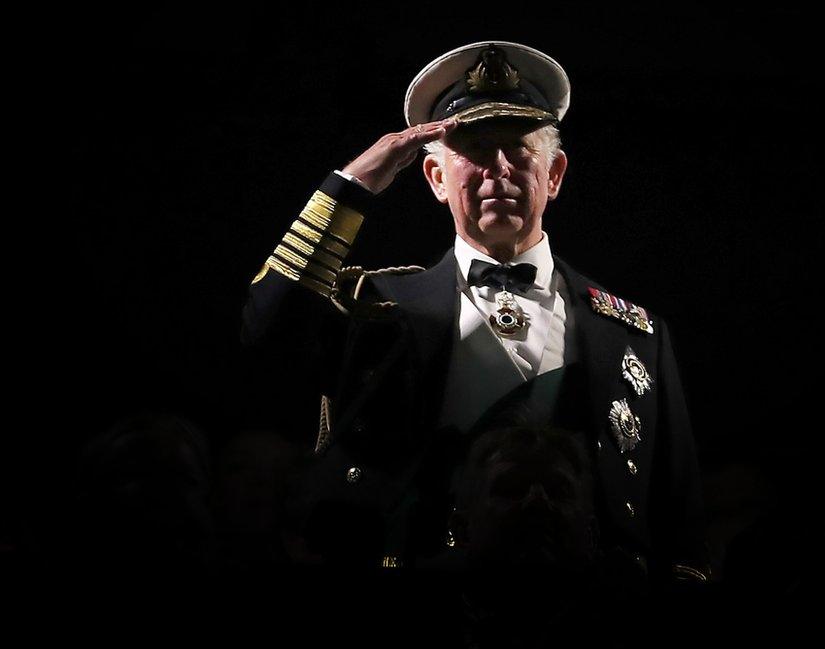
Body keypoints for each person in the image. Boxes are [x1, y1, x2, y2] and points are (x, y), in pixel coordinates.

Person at [240, 41, 711, 585]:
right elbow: (266, 334)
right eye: (476, 150)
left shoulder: (633, 333)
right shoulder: (373, 309)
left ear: (554, 175)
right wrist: (352, 188)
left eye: (519, 150)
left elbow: (679, 521)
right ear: (437, 179)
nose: (500, 169)